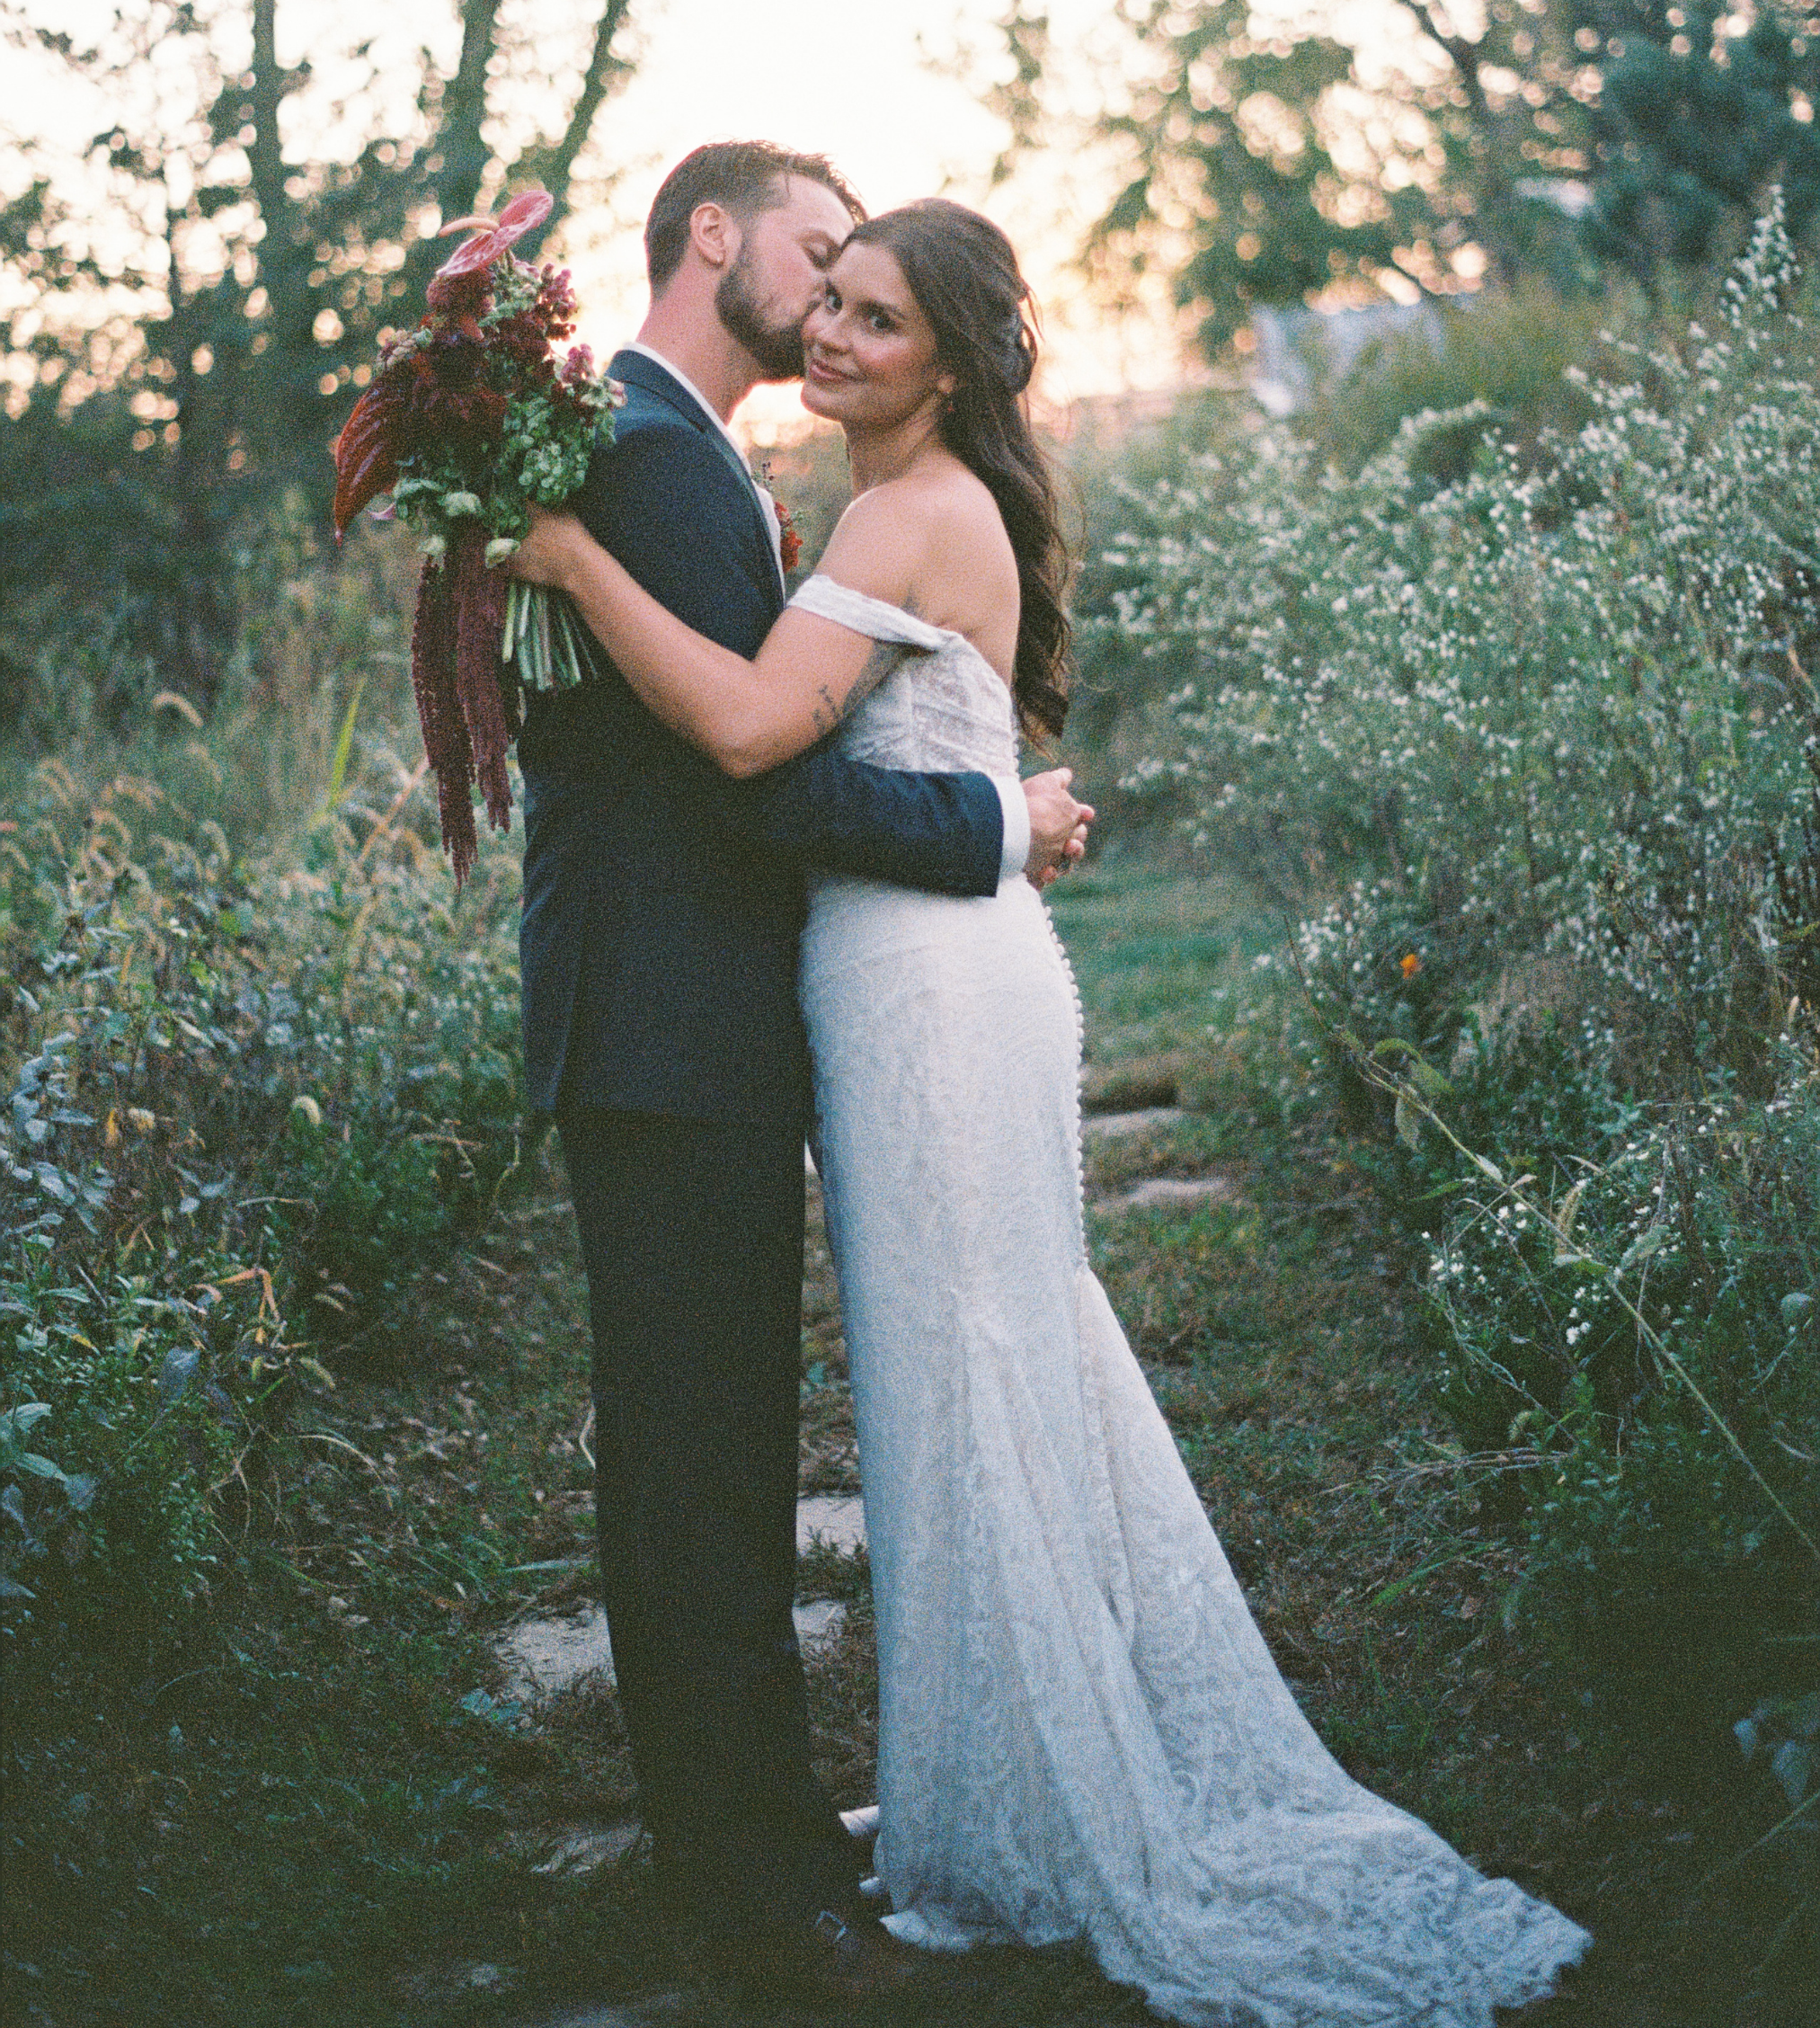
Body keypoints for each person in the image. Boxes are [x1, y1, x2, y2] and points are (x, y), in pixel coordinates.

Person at [509, 195, 1594, 2026]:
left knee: (970, 1372)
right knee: (966, 1374)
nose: (836, 337)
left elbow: (762, 740)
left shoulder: (895, 511)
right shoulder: (919, 501)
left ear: (952, 356)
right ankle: (981, 1784)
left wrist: (568, 560)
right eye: (825, 300)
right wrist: (1009, 818)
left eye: (873, 316)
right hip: (925, 976)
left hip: (927, 993)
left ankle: (1042, 1794)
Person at [511, 144, 1091, 2004]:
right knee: (698, 1464)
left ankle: (749, 1832)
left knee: (715, 1448)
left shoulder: (671, 446)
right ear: (714, 234)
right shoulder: (653, 454)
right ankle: (757, 1890)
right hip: (673, 1031)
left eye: (869, 285)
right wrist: (990, 820)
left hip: (693, 1023)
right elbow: (745, 773)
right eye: (815, 249)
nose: (833, 288)